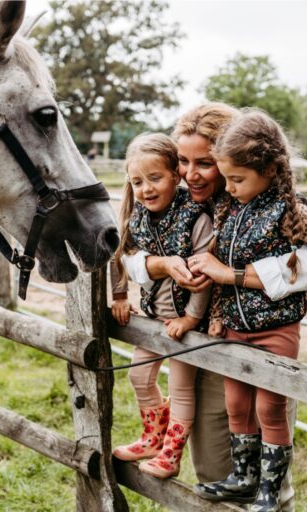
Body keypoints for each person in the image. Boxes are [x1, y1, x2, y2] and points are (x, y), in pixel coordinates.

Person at [115, 103, 307, 512]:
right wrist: (159, 265)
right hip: (194, 349)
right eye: (183, 161)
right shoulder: (173, 203)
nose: (191, 174)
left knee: (265, 480)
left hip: (251, 345)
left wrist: (230, 274)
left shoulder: (274, 206)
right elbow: (128, 255)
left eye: (205, 163)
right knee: (213, 472)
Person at [187, 109, 307, 511]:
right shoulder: (233, 207)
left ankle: (270, 489)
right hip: (235, 329)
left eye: (236, 179)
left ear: (271, 169)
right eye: (227, 179)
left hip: (274, 330)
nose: (230, 187)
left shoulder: (288, 209)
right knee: (237, 405)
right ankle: (243, 477)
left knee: (269, 408)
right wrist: (220, 314)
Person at [111, 132, 213, 479]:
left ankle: (171, 454)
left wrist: (190, 317)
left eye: (155, 178)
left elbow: (202, 273)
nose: (146, 189)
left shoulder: (196, 217)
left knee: (181, 388)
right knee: (139, 376)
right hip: (154, 317)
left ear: (175, 174)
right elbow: (120, 253)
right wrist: (121, 295)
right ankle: (153, 437)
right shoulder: (138, 215)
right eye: (137, 181)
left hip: (186, 322)